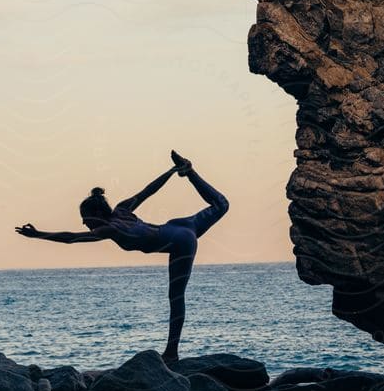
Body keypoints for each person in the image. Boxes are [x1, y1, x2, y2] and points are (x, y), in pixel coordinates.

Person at [16, 150, 228, 363]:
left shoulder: (110, 229)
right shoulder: (122, 210)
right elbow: (148, 191)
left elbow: (71, 238)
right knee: (221, 205)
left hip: (180, 242)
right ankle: (189, 171)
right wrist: (173, 171)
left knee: (176, 296)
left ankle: (171, 352)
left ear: (97, 215)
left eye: (85, 219)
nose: (85, 224)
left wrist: (38, 235)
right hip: (181, 226)